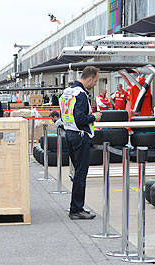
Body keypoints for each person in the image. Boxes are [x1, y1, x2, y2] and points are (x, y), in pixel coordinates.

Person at [60, 66, 102, 220]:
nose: (95, 84)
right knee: (81, 173)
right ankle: (76, 209)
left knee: (78, 172)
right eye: (96, 81)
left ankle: (76, 206)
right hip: (80, 135)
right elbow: (81, 118)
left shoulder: (67, 92)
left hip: (69, 134)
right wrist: (95, 116)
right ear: (89, 79)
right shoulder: (81, 94)